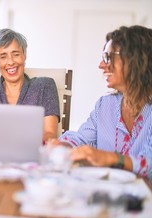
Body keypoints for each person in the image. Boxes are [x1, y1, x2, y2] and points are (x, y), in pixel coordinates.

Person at [56, 25, 152, 182]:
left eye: (109, 57)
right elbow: (81, 138)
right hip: (106, 194)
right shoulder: (104, 105)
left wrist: (109, 158)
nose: (101, 65)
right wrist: (64, 145)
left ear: (136, 59)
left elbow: (149, 164)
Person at [0, 28, 60, 141]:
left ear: (24, 55)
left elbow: (50, 134)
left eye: (15, 54)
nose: (10, 62)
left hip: (33, 157)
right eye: (3, 56)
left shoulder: (44, 86)